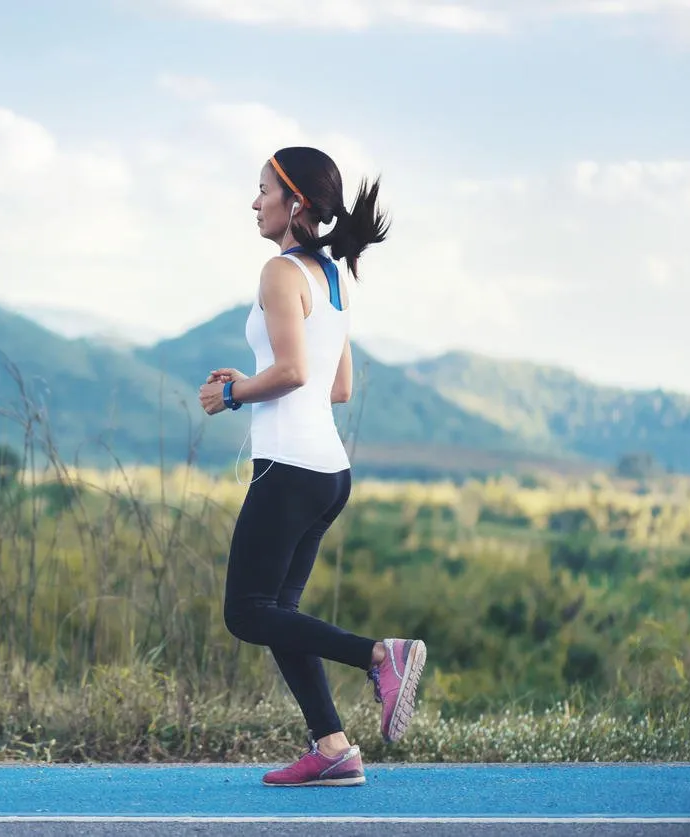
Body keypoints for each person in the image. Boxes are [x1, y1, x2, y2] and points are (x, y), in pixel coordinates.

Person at [197, 146, 427, 788]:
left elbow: (297, 372)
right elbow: (337, 385)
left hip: (291, 469)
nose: (254, 202)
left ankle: (380, 656)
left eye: (263, 190)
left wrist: (233, 393)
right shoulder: (334, 278)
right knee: (281, 612)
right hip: (328, 472)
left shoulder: (280, 272)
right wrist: (256, 379)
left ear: (295, 202)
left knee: (247, 612)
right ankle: (332, 747)